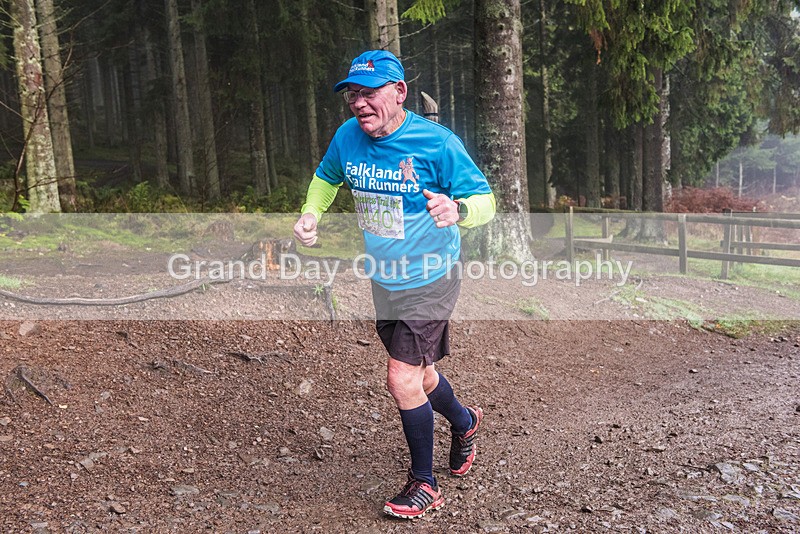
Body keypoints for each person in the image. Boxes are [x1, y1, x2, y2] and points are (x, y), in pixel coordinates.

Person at [293, 50, 496, 519]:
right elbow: (326, 178)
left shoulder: (436, 143)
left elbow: (485, 201)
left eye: (369, 93)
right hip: (385, 279)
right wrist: (310, 213)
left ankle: (423, 485)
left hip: (432, 277)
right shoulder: (348, 138)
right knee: (421, 375)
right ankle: (464, 422)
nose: (359, 104)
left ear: (399, 92)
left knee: (400, 376)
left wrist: (458, 211)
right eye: (352, 95)